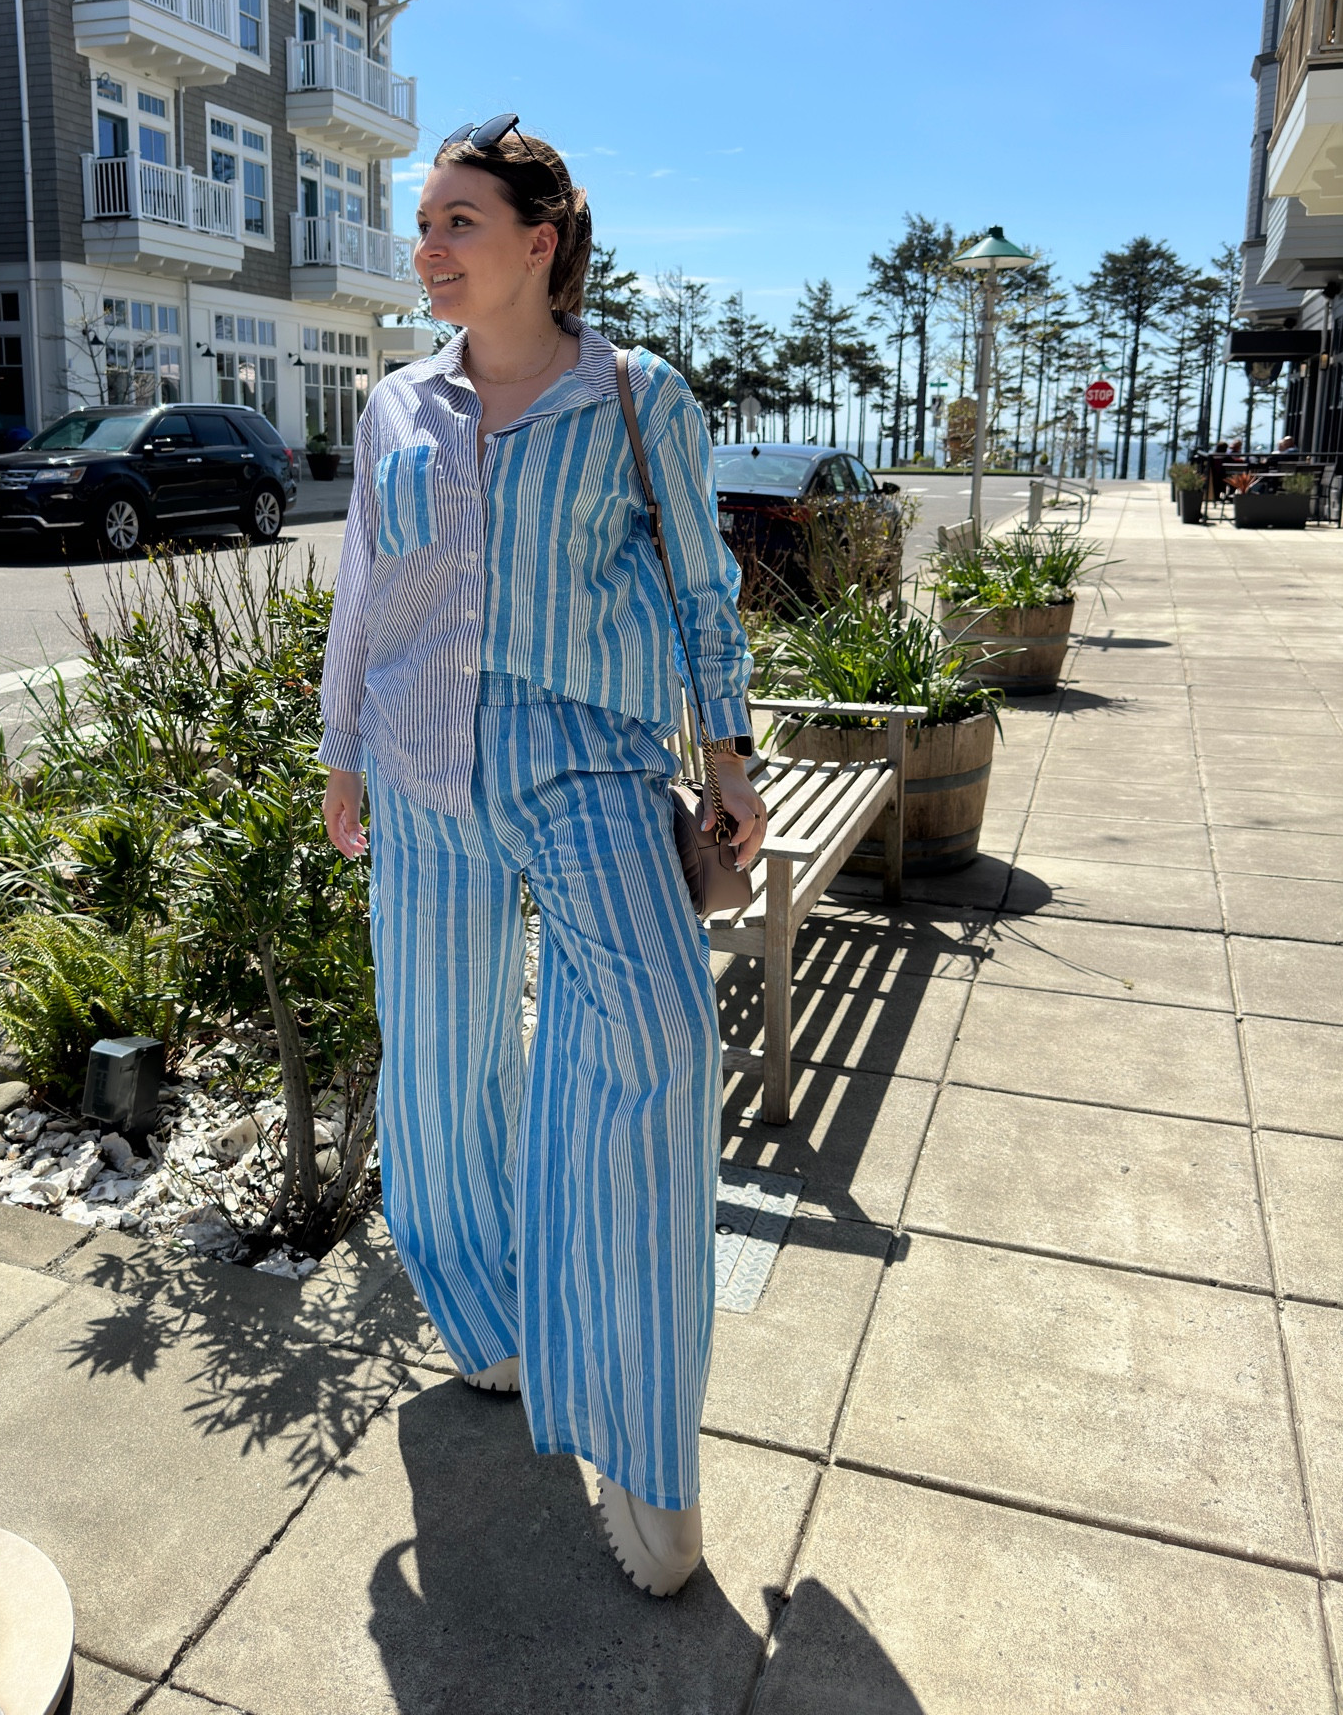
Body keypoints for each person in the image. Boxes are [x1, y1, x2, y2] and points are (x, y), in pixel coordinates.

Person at [320, 115, 764, 1597]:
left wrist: (727, 756)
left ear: (539, 242)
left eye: (457, 221)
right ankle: (489, 1311)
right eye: (421, 223)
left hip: (584, 759)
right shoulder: (395, 410)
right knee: (441, 1064)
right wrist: (340, 750)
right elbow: (366, 590)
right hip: (422, 764)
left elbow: (702, 584)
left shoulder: (639, 397)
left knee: (651, 1046)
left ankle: (639, 1439)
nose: (428, 247)